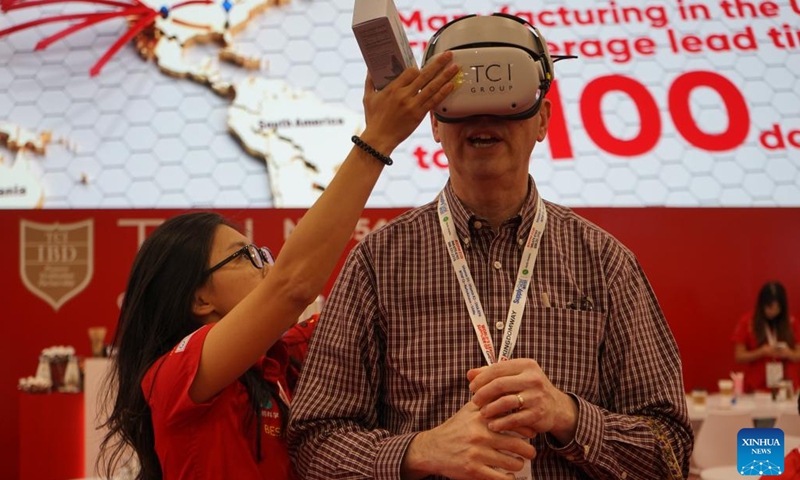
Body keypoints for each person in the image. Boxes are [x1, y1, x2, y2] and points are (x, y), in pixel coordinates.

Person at [288, 13, 692, 480]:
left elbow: (672, 450)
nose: (483, 120)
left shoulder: (605, 264)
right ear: (436, 126)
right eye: (461, 103)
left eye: (505, 103)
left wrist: (567, 416)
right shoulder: (378, 263)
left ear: (542, 119)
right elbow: (312, 443)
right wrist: (419, 451)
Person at [98, 52, 459, 480]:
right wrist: (377, 138)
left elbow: (371, 311)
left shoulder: (276, 357)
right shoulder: (177, 373)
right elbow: (293, 285)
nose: (267, 267)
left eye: (263, 254)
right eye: (247, 258)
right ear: (198, 297)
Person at [733, 281, 800, 393]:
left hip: (787, 385)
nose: (772, 312)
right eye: (769, 307)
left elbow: (798, 353)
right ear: (762, 305)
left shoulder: (791, 322)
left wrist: (789, 353)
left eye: (777, 308)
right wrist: (761, 352)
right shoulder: (748, 322)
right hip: (757, 386)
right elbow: (739, 355)